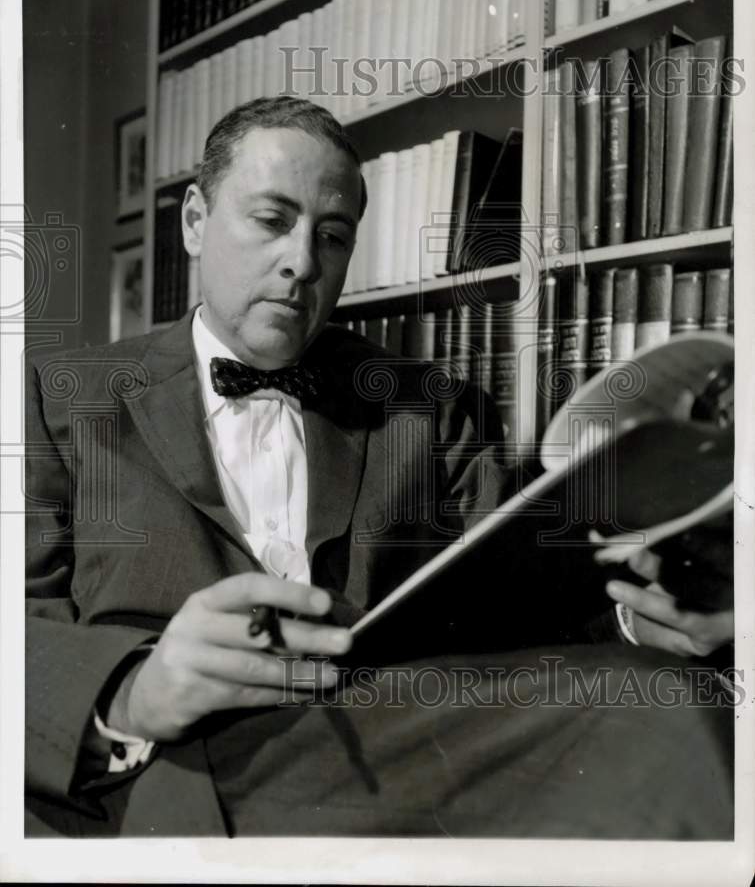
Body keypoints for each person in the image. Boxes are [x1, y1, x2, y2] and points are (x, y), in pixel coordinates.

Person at [25, 97, 735, 838]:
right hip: (157, 779)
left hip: (400, 754)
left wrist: (643, 623)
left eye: (331, 236)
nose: (302, 261)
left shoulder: (433, 408)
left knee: (668, 697)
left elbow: (529, 616)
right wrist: (135, 691)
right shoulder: (52, 399)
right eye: (271, 221)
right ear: (195, 221)